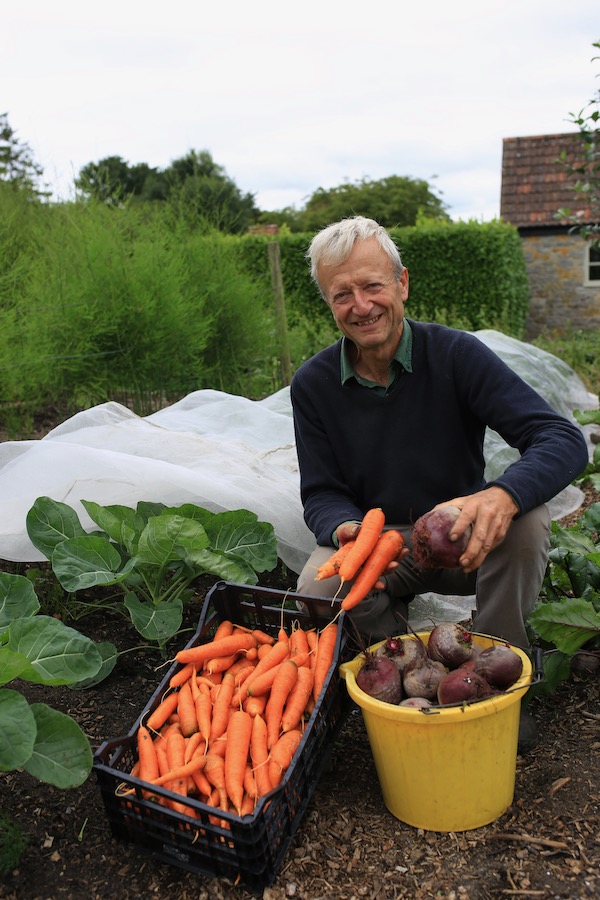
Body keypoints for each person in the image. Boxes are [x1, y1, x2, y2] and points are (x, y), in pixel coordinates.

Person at [290, 216, 589, 752]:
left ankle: (497, 675)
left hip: (462, 542)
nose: (361, 305)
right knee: (319, 585)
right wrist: (349, 530)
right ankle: (404, 683)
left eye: (373, 285)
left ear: (402, 283)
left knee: (528, 521)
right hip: (382, 550)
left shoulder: (455, 355)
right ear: (329, 303)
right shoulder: (313, 384)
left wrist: (502, 495)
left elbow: (560, 438)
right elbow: (321, 491)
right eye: (343, 294)